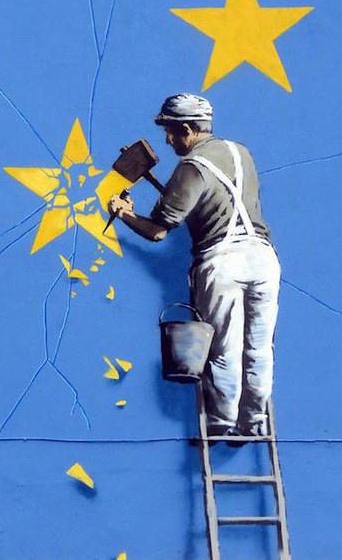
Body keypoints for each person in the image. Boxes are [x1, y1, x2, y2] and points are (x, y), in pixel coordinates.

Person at [108, 93, 281, 438]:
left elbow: (158, 232)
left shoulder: (190, 167)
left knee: (223, 348)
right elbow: (221, 201)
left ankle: (223, 421)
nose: (168, 140)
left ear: (186, 128)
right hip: (264, 258)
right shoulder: (241, 152)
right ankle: (255, 419)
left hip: (223, 261)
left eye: (170, 132)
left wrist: (124, 213)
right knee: (259, 347)